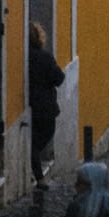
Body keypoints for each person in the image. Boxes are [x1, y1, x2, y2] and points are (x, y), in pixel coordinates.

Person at [28, 20, 65, 187]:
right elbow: (59, 78)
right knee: (38, 142)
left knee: (34, 143)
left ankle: (37, 175)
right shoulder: (44, 57)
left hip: (30, 104)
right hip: (45, 107)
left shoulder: (24, 58)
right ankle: (39, 178)